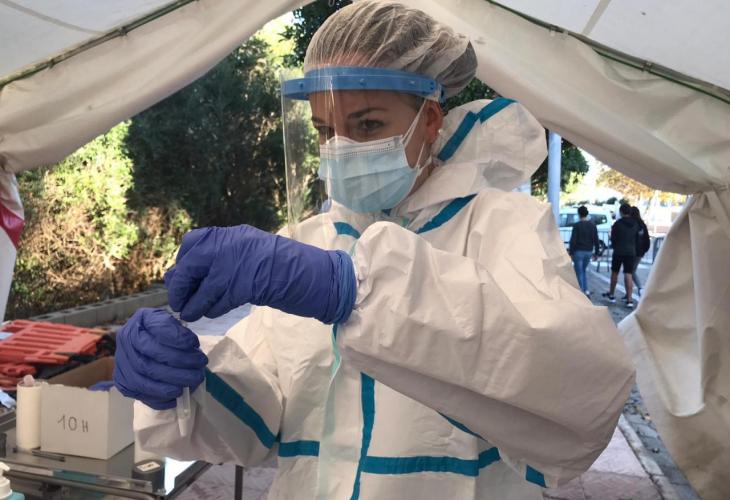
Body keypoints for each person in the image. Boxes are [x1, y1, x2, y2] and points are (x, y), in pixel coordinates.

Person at [113, 2, 635, 499]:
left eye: (367, 125)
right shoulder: (306, 244)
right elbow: (263, 424)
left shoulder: (501, 225)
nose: (340, 148)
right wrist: (191, 383)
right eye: (324, 130)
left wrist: (358, 290)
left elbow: (577, 398)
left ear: (430, 120)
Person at [603, 203, 639, 308]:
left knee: (615, 272)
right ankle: (629, 299)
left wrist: (614, 244)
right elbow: (637, 238)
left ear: (621, 212)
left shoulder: (617, 224)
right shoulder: (635, 224)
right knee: (628, 274)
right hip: (631, 252)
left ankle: (612, 295)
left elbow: (613, 238)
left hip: (619, 251)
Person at [568, 205, 600, 295]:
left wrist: (571, 252)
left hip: (578, 251)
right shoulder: (592, 225)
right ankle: (586, 289)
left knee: (579, 272)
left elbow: (573, 240)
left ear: (579, 214)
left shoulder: (577, 225)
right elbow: (596, 239)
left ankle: (581, 291)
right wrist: (597, 253)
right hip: (589, 251)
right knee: (583, 270)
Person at [629, 206, 650, 297]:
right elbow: (647, 239)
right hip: (640, 252)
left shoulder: (632, 224)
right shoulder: (642, 224)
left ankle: (640, 288)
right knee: (631, 271)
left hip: (632, 251)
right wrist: (644, 250)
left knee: (630, 271)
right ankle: (629, 292)